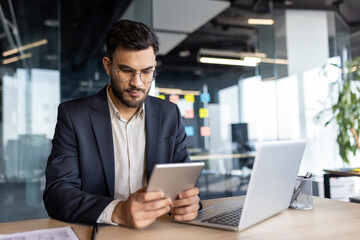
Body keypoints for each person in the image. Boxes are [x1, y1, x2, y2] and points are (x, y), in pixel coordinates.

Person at [43, 19, 200, 229]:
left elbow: (185, 182)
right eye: (126, 71)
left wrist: (191, 203)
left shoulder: (169, 113)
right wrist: (117, 211)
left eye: (146, 72)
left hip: (159, 230)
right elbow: (57, 194)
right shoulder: (73, 116)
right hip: (102, 233)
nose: (138, 82)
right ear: (108, 66)